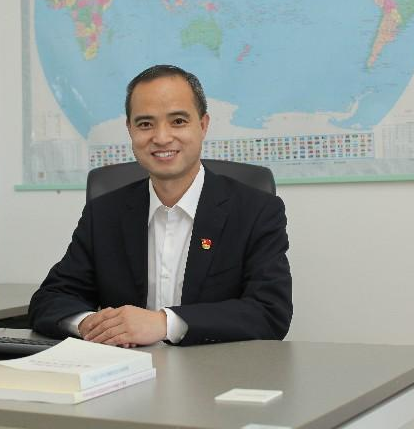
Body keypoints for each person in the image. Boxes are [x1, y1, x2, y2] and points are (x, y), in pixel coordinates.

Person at [29, 65, 291, 346]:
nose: (162, 137)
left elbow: (269, 312)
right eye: (145, 124)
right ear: (130, 130)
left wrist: (164, 324)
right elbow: (50, 298)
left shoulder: (256, 211)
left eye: (178, 121)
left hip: (217, 368)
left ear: (203, 125)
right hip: (125, 368)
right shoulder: (104, 214)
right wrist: (91, 325)